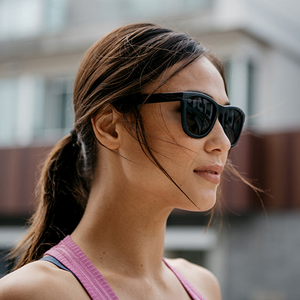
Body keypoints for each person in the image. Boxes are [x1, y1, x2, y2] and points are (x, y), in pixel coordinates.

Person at [0, 23, 245, 299]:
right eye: (197, 112)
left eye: (228, 120)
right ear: (110, 127)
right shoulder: (34, 293)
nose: (223, 142)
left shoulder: (203, 285)